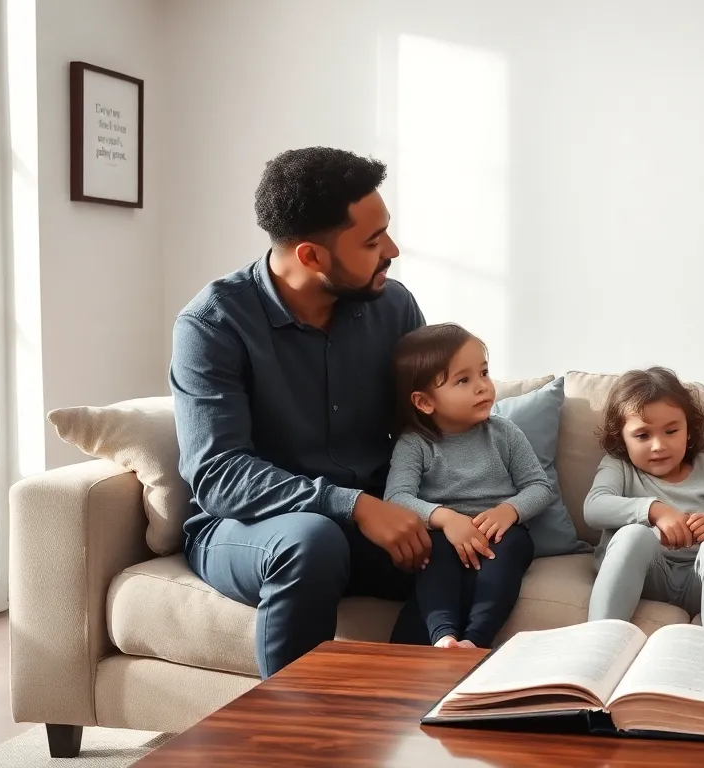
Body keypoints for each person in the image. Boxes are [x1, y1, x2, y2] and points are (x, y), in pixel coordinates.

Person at [172, 147, 432, 678]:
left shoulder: (394, 308)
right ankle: (291, 728)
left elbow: (428, 429)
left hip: (372, 522)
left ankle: (410, 706)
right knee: (312, 540)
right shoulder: (213, 324)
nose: (393, 250)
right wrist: (354, 505)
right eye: (372, 241)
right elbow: (219, 475)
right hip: (251, 529)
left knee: (471, 548)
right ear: (312, 256)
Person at [383, 323, 546, 649]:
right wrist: (446, 519)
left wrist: (509, 511)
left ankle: (474, 641)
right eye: (463, 380)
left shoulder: (504, 433)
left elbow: (538, 486)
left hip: (500, 535)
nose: (482, 386)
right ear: (424, 402)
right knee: (432, 554)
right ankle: (443, 637)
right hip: (444, 538)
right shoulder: (415, 444)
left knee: (511, 548)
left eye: (484, 373)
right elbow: (396, 498)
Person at [584, 367, 704, 634]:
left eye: (671, 431)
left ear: (689, 431)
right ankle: (598, 641)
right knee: (633, 535)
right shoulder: (618, 466)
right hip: (648, 578)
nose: (658, 446)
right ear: (621, 439)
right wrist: (655, 510)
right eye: (643, 435)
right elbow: (594, 507)